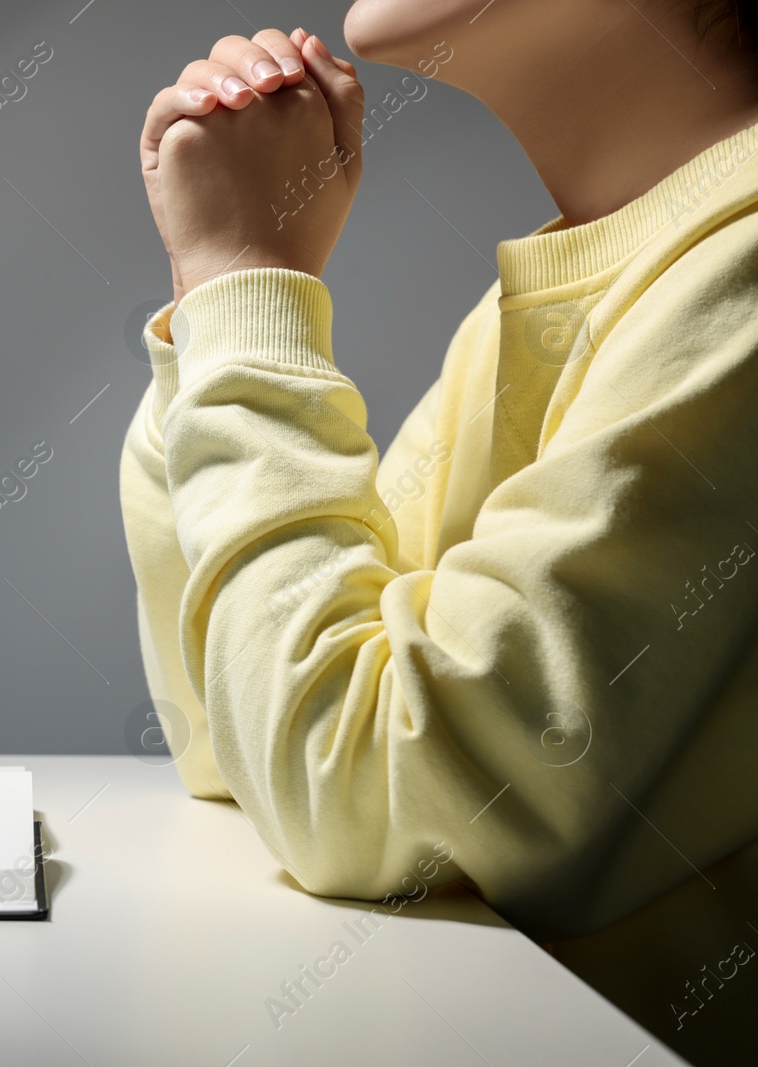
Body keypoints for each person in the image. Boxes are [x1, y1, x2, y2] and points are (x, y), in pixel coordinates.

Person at [122, 3, 758, 1061]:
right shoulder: (586, 287)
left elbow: (352, 785)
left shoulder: (736, 290)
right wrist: (213, 307)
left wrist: (246, 291)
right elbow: (234, 736)